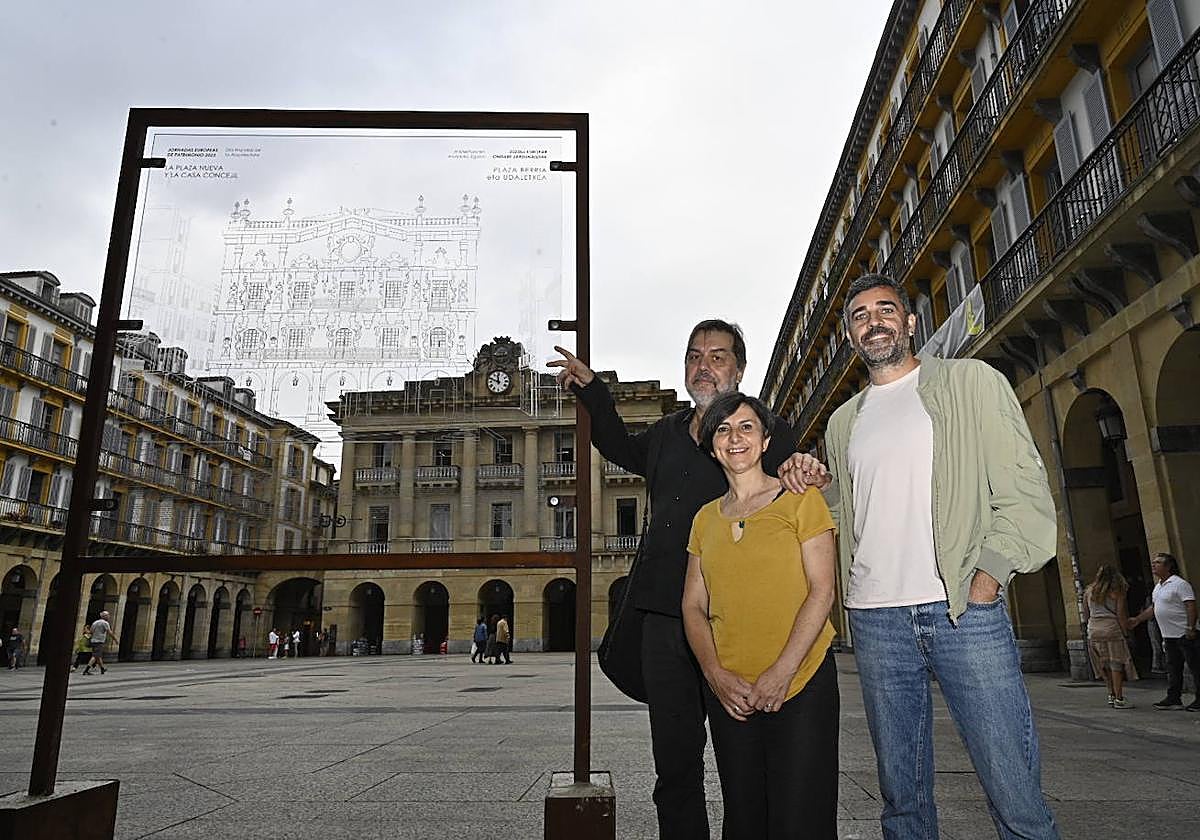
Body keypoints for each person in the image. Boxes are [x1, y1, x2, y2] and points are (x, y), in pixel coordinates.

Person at [791, 274, 1061, 839]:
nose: (874, 322)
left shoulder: (971, 383)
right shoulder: (845, 420)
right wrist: (808, 480)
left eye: (885, 310)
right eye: (860, 316)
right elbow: (846, 507)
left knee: (1013, 788)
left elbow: (1023, 486)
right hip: (875, 619)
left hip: (962, 608)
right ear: (850, 338)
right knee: (902, 798)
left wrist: (989, 574)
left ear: (911, 322)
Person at [550, 319, 803, 838]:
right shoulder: (666, 433)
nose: (703, 366)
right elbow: (619, 445)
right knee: (674, 766)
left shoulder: (761, 433)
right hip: (665, 618)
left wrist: (805, 467)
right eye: (694, 356)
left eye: (717, 356)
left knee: (742, 766)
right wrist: (593, 391)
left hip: (736, 621)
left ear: (739, 368)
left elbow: (793, 486)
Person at [682, 393, 839, 839]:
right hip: (732, 692)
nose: (735, 437)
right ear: (712, 446)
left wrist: (781, 672)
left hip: (802, 683)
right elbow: (693, 605)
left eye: (747, 427)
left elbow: (822, 590)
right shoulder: (704, 520)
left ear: (766, 441)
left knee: (801, 819)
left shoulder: (800, 500)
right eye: (723, 429)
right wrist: (715, 675)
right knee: (745, 818)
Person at [1130, 552, 1198, 711]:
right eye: (1153, 562)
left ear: (1168, 566)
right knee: (1173, 667)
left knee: (1195, 667)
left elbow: (1190, 605)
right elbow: (1154, 608)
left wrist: (1190, 627)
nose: (1154, 565)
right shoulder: (1158, 586)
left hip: (1184, 632)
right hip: (1169, 635)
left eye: (1158, 562)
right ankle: (1173, 698)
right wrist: (1138, 619)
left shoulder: (1179, 584)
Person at [1083, 565, 1137, 708]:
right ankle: (1119, 698)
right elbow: (1120, 614)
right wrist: (1126, 631)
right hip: (1112, 630)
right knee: (1116, 664)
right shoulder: (1117, 592)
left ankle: (1111, 694)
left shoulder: (1089, 591)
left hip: (1094, 630)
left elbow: (1086, 614)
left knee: (1104, 664)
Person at [82, 610, 117, 675]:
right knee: (95, 656)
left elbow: (91, 632)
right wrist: (115, 639)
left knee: (98, 656)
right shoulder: (105, 623)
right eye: (108, 615)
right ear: (105, 616)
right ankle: (86, 670)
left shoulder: (95, 622)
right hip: (99, 642)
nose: (109, 616)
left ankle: (102, 669)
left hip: (93, 641)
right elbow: (109, 632)